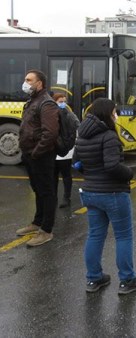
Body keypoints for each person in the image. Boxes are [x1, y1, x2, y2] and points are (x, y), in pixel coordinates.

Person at [74, 98, 136, 294]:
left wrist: (91, 175)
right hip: (113, 193)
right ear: (107, 114)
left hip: (90, 191)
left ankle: (93, 278)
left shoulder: (82, 134)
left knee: (95, 235)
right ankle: (127, 280)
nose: (116, 115)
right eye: (114, 112)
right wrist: (129, 173)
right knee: (123, 236)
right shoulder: (109, 136)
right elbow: (112, 166)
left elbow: (77, 164)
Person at [16, 70, 59, 247]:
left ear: (39, 83)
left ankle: (46, 230)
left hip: (41, 156)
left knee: (47, 191)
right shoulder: (32, 100)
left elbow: (50, 133)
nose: (25, 83)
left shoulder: (46, 103)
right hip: (30, 155)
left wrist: (36, 152)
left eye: (29, 80)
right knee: (38, 189)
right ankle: (37, 222)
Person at [52, 93, 79, 208]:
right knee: (53, 176)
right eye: (60, 101)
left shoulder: (70, 115)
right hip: (53, 150)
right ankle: (53, 198)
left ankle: (66, 198)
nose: (63, 104)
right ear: (54, 102)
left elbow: (78, 126)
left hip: (66, 150)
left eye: (64, 101)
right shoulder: (51, 115)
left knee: (66, 175)